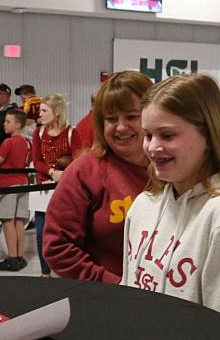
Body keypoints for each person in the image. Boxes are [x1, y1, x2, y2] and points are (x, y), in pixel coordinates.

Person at [121, 73, 220, 335]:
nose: (152, 147)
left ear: (209, 136)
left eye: (168, 135)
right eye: (148, 135)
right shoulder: (144, 205)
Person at [43, 71, 152, 283]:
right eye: (111, 119)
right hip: (107, 299)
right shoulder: (84, 172)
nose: (121, 127)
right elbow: (58, 248)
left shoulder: (170, 169)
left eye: (131, 116)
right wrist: (114, 285)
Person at [31, 93, 85, 277]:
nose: (40, 114)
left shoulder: (72, 133)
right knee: (40, 232)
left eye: (44, 110)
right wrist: (53, 172)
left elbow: (79, 160)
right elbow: (36, 161)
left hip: (65, 189)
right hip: (43, 189)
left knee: (65, 232)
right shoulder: (38, 133)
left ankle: (66, 271)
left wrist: (66, 173)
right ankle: (45, 273)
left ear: (56, 112)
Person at [0, 108, 32, 271]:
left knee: (8, 221)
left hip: (8, 184)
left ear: (18, 124)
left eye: (8, 121)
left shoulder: (8, 142)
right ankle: (20, 256)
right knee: (19, 221)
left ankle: (12, 258)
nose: (4, 124)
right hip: (23, 182)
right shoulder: (28, 142)